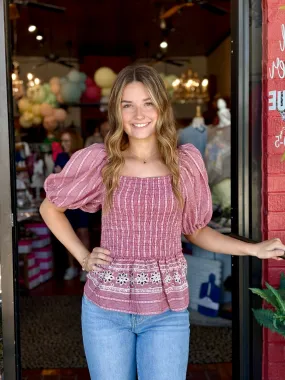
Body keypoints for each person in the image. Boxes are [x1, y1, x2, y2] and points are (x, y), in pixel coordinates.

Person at [40, 65, 285, 380]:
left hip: (166, 312)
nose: (138, 113)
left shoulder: (184, 164)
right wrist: (84, 256)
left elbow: (196, 230)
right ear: (117, 111)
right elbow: (50, 207)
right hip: (105, 310)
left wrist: (254, 250)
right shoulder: (103, 161)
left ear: (161, 107)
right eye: (127, 104)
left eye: (147, 102)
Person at [54, 128, 90, 282]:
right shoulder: (60, 157)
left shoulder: (82, 156)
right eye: (63, 141)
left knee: (83, 233)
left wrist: (67, 177)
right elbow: (57, 178)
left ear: (74, 141)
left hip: (82, 201)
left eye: (67, 140)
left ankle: (85, 266)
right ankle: (71, 267)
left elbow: (85, 178)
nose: (64, 144)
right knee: (69, 234)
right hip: (66, 202)